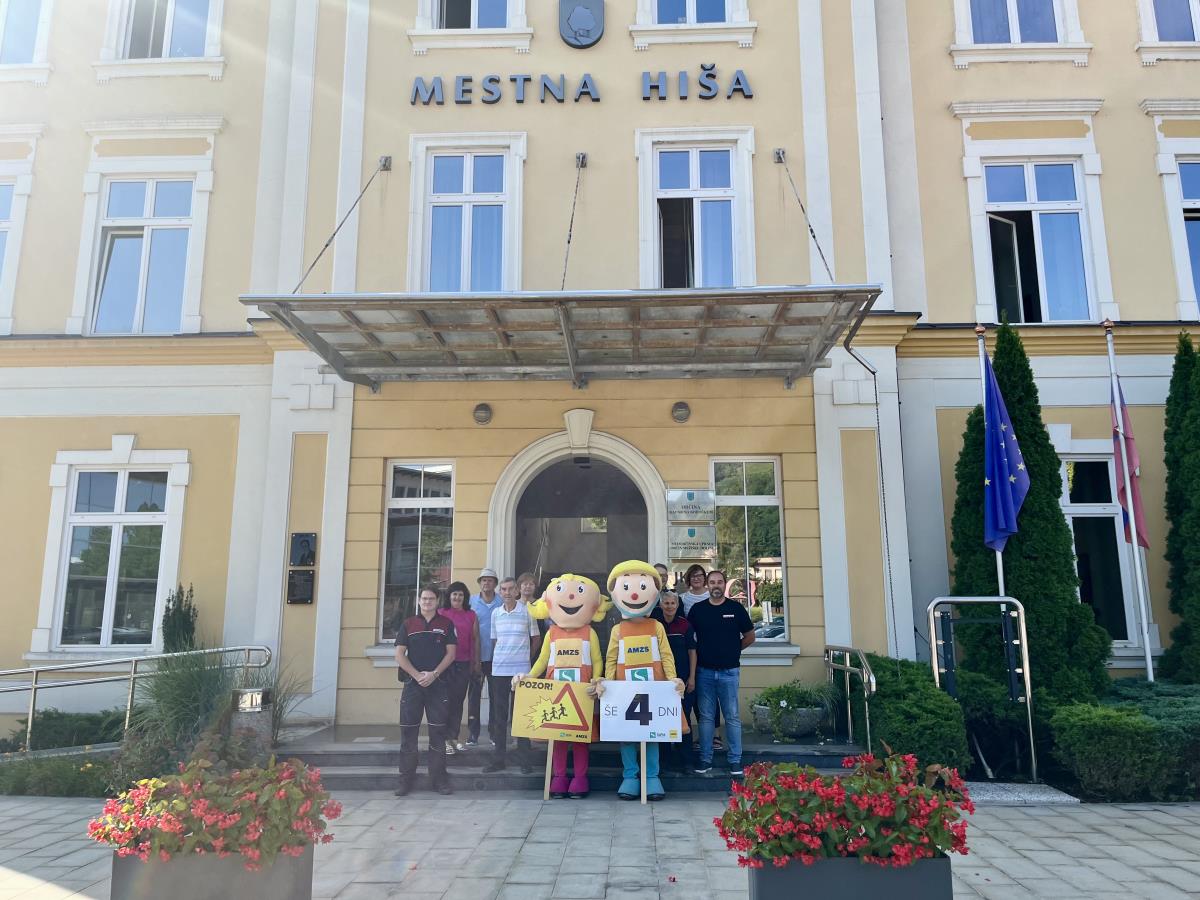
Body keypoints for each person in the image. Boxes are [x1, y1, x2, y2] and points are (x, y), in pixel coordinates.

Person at [600, 560, 684, 801]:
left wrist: (672, 679)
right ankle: (630, 776)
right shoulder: (618, 630)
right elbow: (611, 659)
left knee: (652, 735)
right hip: (624, 693)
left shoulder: (656, 626)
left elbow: (666, 655)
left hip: (654, 692)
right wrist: (607, 683)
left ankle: (651, 777)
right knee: (626, 736)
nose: (635, 595)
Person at [518, 573, 606, 798]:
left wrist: (597, 679)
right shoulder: (552, 632)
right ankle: (559, 777)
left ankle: (580, 778)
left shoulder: (589, 632)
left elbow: (597, 660)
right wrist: (530, 676)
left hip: (582, 695)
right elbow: (542, 660)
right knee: (557, 739)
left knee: (580, 740)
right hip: (556, 695)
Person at [688, 569, 755, 777]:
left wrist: (734, 650)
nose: (716, 585)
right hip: (704, 672)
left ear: (724, 585)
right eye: (712, 582)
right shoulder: (698, 610)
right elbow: (690, 640)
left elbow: (750, 636)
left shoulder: (736, 609)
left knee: (732, 717)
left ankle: (735, 760)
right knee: (706, 718)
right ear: (707, 585)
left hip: (729, 673)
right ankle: (705, 759)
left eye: (719, 582)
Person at [394, 586, 457, 797]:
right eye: (424, 598)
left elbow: (451, 654)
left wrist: (434, 674)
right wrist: (416, 675)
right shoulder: (408, 624)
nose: (427, 602)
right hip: (413, 686)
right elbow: (399, 655)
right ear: (419, 601)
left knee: (438, 734)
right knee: (408, 734)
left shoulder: (446, 624)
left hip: (438, 685)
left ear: (437, 601)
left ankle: (439, 780)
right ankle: (405, 781)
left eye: (431, 599)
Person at [483, 578, 535, 774]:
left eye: (510, 589)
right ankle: (498, 761)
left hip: (521, 673)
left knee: (521, 717)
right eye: (503, 589)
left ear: (517, 591)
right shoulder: (496, 613)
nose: (506, 592)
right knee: (499, 717)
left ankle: (525, 761)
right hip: (499, 671)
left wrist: (526, 660)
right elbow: (495, 641)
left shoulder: (528, 611)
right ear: (500, 592)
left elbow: (536, 638)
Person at [658, 590, 697, 773]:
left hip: (682, 680)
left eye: (673, 603)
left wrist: (692, 677)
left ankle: (687, 761)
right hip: (661, 681)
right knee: (662, 720)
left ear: (677, 605)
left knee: (684, 720)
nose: (669, 606)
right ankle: (665, 761)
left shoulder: (685, 625)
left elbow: (692, 652)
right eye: (666, 603)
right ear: (661, 605)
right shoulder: (655, 625)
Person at [440, 581, 479, 754]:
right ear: (449, 596)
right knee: (444, 702)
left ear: (465, 597)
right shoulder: (441, 613)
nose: (457, 597)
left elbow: (475, 640)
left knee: (457, 702)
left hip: (463, 664)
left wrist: (476, 663)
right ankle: (443, 740)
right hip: (444, 665)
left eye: (461, 594)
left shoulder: (471, 615)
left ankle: (453, 738)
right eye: (454, 594)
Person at [517, 571, 546, 658]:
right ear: (519, 587)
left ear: (535, 587)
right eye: (525, 584)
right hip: (518, 648)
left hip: (539, 647)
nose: (528, 586)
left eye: (531, 584)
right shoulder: (514, 605)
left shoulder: (541, 604)